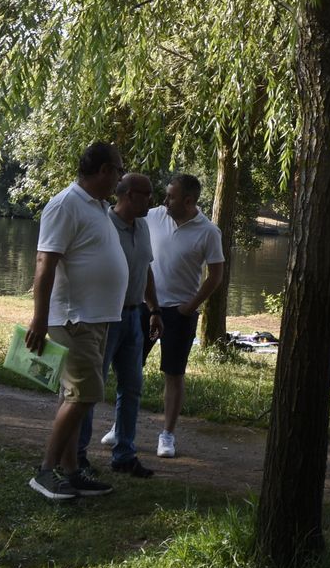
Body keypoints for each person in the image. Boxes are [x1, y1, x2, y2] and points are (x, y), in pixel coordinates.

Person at [26, 141, 129, 500]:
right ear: (103, 170)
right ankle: (45, 471)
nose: (120, 175)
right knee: (85, 394)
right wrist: (39, 319)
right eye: (118, 168)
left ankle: (71, 471)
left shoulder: (99, 207)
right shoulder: (65, 204)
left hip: (97, 318)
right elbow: (45, 263)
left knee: (74, 396)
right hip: (74, 317)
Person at [77, 172, 164, 478]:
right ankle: (77, 456)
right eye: (148, 194)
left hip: (134, 316)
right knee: (90, 388)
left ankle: (124, 454)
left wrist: (154, 309)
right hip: (105, 318)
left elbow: (146, 268)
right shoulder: (104, 225)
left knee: (132, 387)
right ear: (128, 195)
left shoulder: (143, 227)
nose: (152, 200)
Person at [144, 172, 225, 459]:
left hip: (180, 312)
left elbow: (215, 276)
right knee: (130, 366)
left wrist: (190, 307)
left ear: (188, 201)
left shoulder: (208, 231)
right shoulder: (154, 216)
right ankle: (122, 424)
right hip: (146, 305)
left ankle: (167, 435)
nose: (164, 200)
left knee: (174, 373)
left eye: (171, 196)